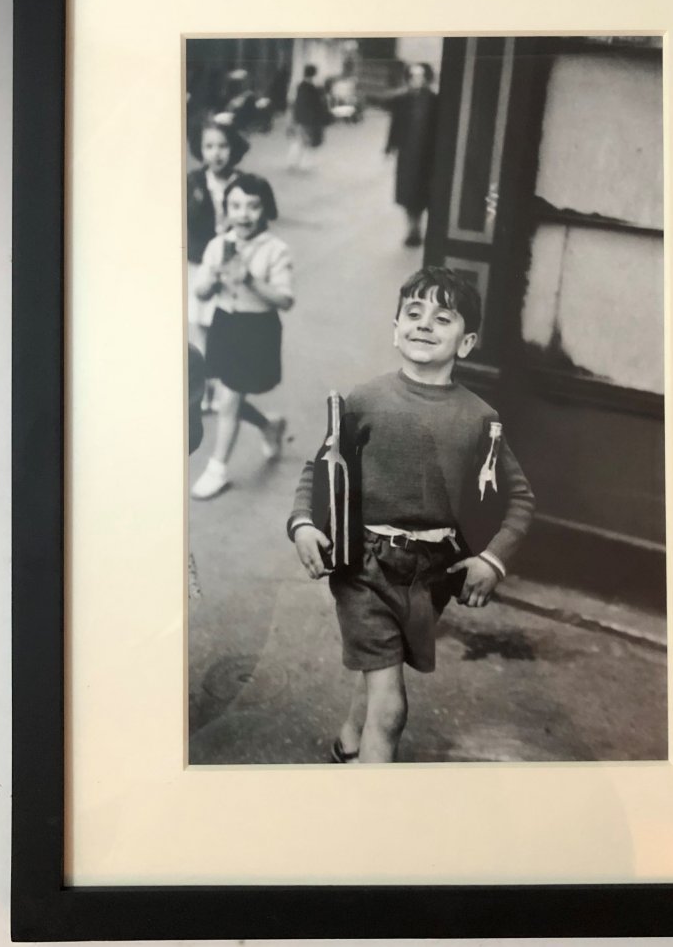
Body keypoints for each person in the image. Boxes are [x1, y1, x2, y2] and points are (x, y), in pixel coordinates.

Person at [288, 266, 535, 763]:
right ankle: (371, 807)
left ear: (465, 343)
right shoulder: (365, 400)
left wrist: (492, 560)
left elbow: (520, 498)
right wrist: (303, 524)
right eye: (413, 313)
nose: (423, 324)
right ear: (395, 328)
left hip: (432, 575)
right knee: (391, 699)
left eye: (442, 318)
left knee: (385, 661)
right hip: (364, 564)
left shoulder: (480, 418)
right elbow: (321, 468)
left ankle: (349, 742)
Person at [191, 173, 294, 500]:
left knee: (229, 399)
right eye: (235, 205)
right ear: (226, 209)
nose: (243, 214)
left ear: (265, 209)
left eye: (253, 206)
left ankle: (217, 468)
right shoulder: (217, 245)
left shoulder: (275, 249)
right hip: (224, 324)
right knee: (227, 399)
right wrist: (211, 282)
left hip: (257, 330)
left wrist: (249, 279)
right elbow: (201, 292)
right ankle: (269, 425)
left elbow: (285, 300)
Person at [186, 116, 250, 410]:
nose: (216, 153)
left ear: (233, 148)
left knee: (222, 330)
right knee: (199, 328)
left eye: (223, 145)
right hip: (198, 264)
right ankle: (203, 389)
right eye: (208, 146)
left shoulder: (244, 184)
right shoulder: (194, 182)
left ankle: (220, 387)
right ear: (200, 149)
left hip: (231, 268)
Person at [385, 62, 438, 247]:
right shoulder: (402, 100)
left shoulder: (434, 100)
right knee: (407, 193)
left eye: (421, 76)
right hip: (407, 154)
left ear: (426, 78)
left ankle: (418, 227)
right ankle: (411, 229)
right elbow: (395, 124)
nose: (417, 79)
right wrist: (390, 146)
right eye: (413, 76)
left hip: (427, 156)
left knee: (422, 194)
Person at [288, 64, 329, 170]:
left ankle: (293, 162)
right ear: (314, 74)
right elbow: (317, 105)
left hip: (300, 117)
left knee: (299, 140)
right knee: (307, 141)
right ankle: (304, 164)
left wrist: (294, 118)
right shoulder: (312, 88)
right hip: (309, 119)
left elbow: (296, 103)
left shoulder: (300, 86)